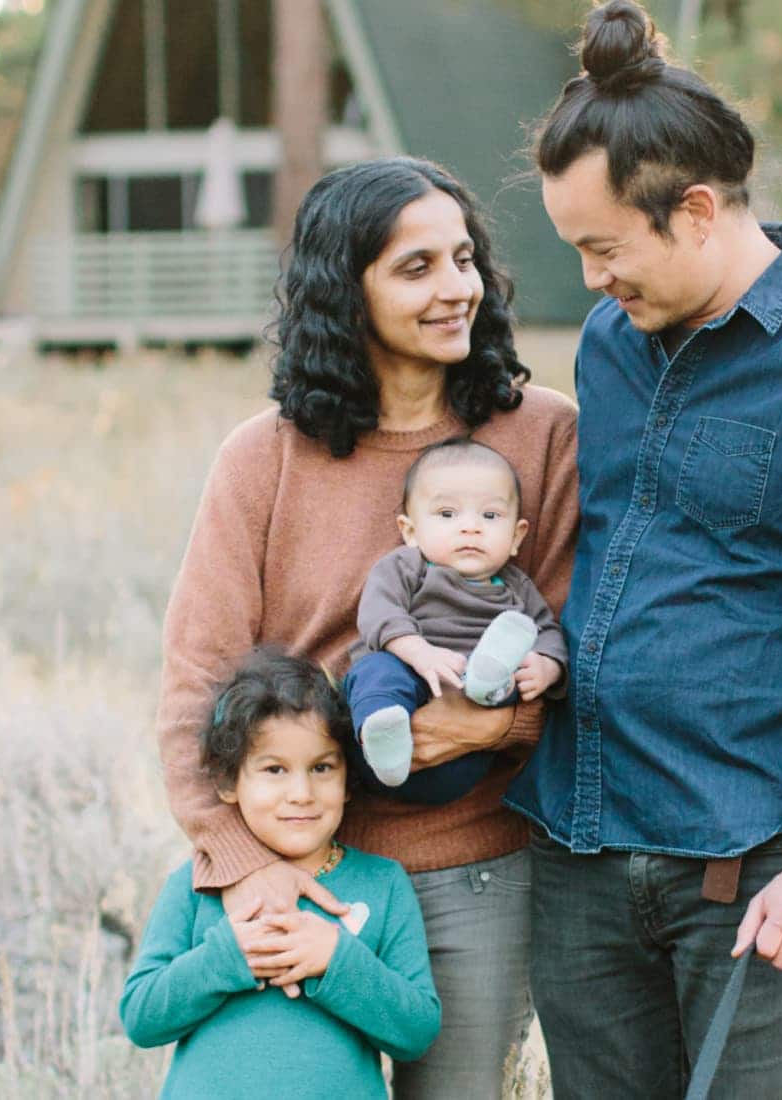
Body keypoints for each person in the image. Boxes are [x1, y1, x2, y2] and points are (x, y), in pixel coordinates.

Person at [505, 3, 782, 1096]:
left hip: (747, 861)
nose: (591, 280)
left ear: (695, 210)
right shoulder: (613, 342)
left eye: (604, 248)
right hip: (582, 845)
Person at [152, 156, 579, 1097]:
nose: (456, 287)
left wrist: (490, 724)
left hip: (478, 870)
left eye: (464, 259)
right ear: (346, 290)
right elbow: (197, 685)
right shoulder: (263, 458)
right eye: (416, 267)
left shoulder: (542, 435)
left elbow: (574, 657)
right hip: (299, 867)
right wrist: (241, 865)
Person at [121, 649, 441, 1099]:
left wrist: (336, 958)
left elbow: (416, 1031)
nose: (301, 793)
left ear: (350, 780)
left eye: (322, 768)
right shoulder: (199, 883)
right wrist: (227, 957)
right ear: (229, 783)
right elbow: (141, 1016)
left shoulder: (382, 884)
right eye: (274, 769)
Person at [344, 438, 568, 804]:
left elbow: (548, 633)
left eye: (490, 516)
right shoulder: (406, 567)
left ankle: (489, 678)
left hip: (464, 743)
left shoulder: (517, 589)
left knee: (514, 671)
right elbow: (378, 613)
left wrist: (546, 668)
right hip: (410, 678)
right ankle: (382, 726)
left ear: (516, 537)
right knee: (376, 671)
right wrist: (418, 652)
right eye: (448, 515)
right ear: (411, 531)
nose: (470, 528)